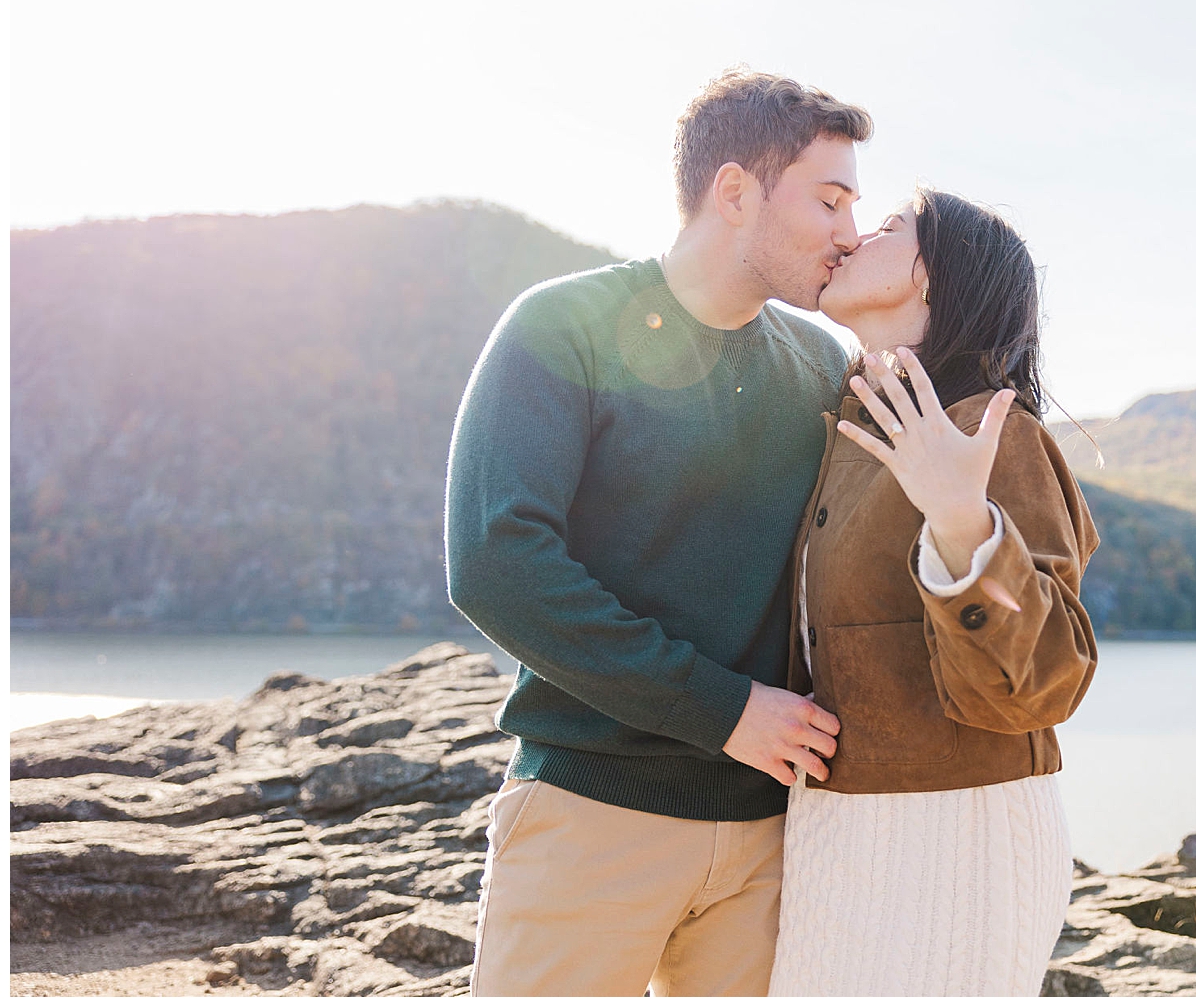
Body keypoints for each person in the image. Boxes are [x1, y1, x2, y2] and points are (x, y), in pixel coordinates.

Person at [446, 70, 871, 996]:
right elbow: (495, 562)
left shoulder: (824, 367)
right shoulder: (564, 327)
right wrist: (720, 710)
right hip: (590, 818)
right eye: (829, 200)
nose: (849, 233)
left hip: (770, 836)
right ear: (734, 192)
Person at [766, 189, 1098, 996]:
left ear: (934, 277)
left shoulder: (990, 430)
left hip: (959, 835)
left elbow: (1043, 683)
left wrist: (960, 519)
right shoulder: (852, 428)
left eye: (886, 228)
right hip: (836, 828)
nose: (852, 238)